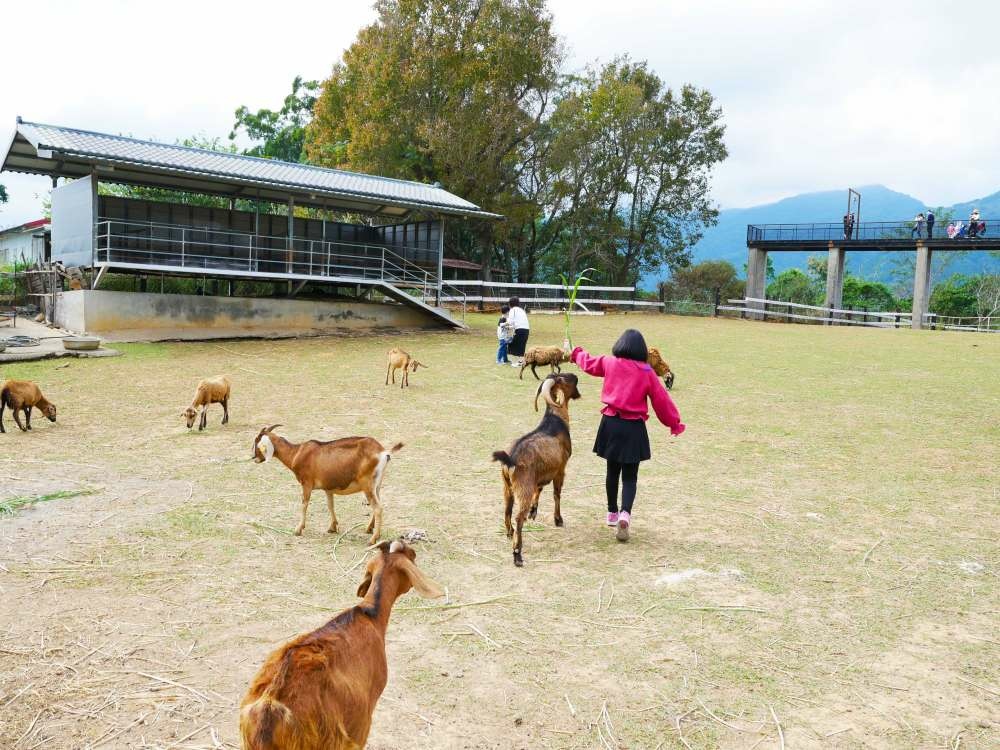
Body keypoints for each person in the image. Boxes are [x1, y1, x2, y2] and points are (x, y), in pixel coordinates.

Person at [568, 329, 685, 542]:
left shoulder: (609, 362)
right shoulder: (647, 371)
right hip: (634, 429)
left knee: (612, 471)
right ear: (641, 349)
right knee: (630, 476)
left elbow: (589, 363)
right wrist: (674, 423)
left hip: (611, 424)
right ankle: (625, 514)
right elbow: (661, 400)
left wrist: (576, 353)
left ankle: (612, 512)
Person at [506, 296, 530, 368]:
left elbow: (510, 322)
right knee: (521, 345)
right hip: (526, 329)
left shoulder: (513, 310)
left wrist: (505, 326)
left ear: (510, 304)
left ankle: (514, 362)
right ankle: (521, 361)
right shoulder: (521, 310)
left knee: (512, 345)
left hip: (520, 329)